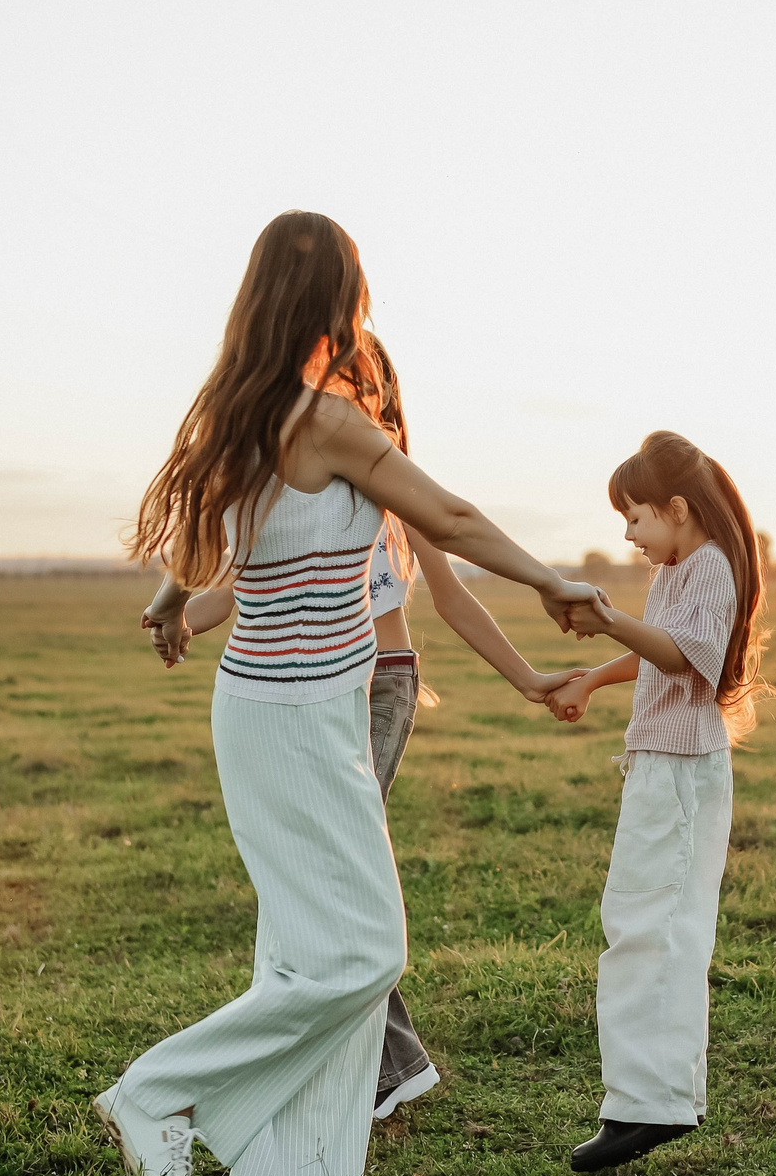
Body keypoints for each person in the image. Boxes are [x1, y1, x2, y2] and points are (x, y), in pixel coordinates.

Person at [100, 210, 597, 1176]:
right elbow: (448, 518)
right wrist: (547, 576)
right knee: (364, 951)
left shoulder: (240, 416)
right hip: (290, 716)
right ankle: (155, 1092)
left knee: (306, 955)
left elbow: (207, 552)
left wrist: (169, 598)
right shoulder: (321, 417)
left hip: (294, 708)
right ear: (337, 299)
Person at [181, 331, 579, 1122]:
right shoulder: (288, 475)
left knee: (339, 876)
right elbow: (238, 583)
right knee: (325, 878)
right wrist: (181, 616)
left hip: (381, 687)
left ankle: (378, 1067)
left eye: (357, 389)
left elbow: (456, 598)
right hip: (300, 690)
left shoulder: (390, 486)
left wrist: (528, 677)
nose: (342, 401)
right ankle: (385, 1063)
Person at [546, 431, 771, 1172]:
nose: (628, 533)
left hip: (680, 773)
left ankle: (653, 1104)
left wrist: (609, 618)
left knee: (659, 930)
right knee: (637, 925)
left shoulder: (708, 568)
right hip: (660, 767)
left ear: (677, 509)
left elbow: (686, 656)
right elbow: (659, 646)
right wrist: (593, 676)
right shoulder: (683, 565)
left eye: (635, 517)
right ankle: (642, 1098)